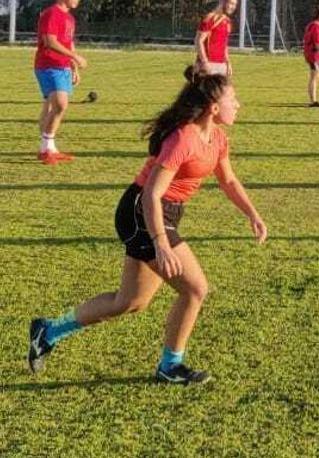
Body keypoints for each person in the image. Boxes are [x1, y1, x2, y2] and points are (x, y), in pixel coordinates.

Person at [26, 71, 267, 385]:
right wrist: (161, 243)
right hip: (142, 212)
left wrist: (252, 214)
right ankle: (171, 366)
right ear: (213, 107)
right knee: (195, 289)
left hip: (163, 214)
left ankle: (48, 330)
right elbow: (152, 194)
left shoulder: (218, 138)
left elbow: (229, 180)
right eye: (232, 99)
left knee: (129, 302)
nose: (238, 104)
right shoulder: (183, 137)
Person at [35, 0, 88, 165]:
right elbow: (50, 41)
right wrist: (76, 56)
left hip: (63, 66)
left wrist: (73, 66)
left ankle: (48, 148)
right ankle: (46, 146)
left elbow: (68, 42)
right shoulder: (51, 14)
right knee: (60, 104)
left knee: (52, 106)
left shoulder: (70, 18)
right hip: (49, 65)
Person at [194, 0, 239, 77]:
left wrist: (228, 63)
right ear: (222, 2)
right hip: (208, 64)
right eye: (231, 3)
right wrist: (204, 62)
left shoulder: (227, 22)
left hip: (221, 65)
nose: (233, 7)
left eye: (235, 5)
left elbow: (224, 44)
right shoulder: (210, 19)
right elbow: (198, 41)